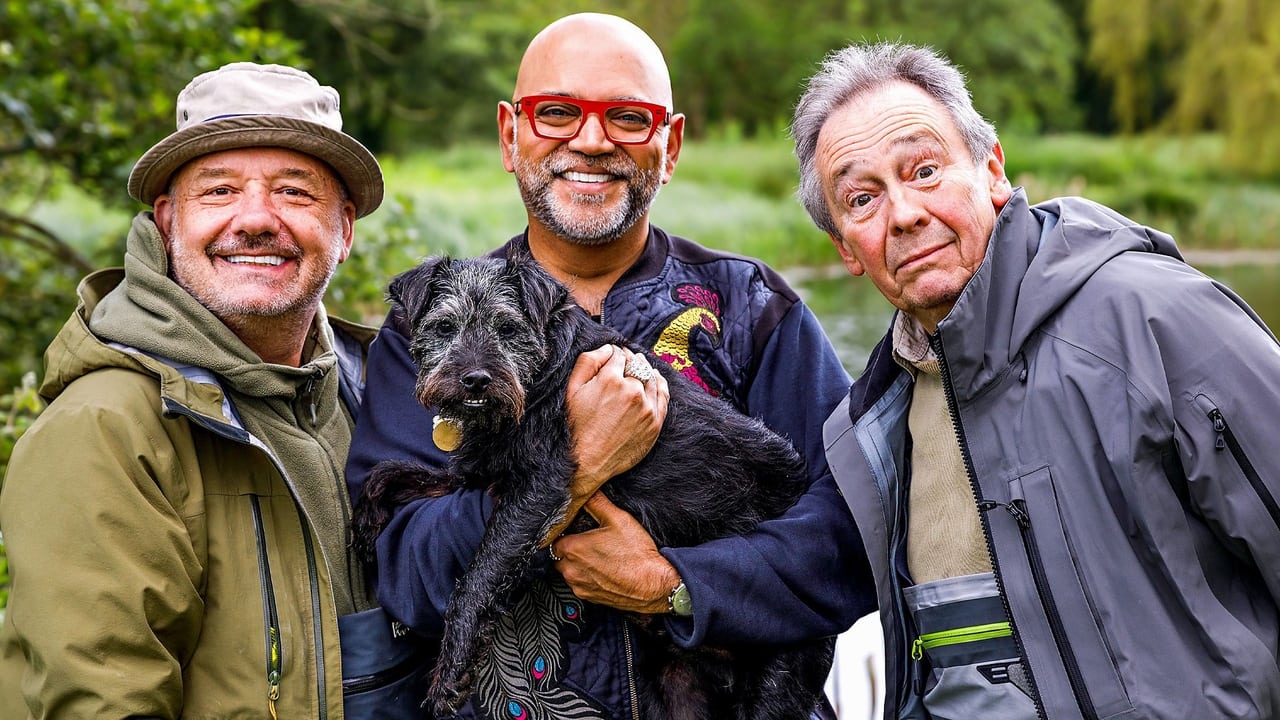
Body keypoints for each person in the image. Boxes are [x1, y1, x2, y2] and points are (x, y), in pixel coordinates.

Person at [345, 12, 875, 719]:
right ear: (510, 135)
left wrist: (678, 584)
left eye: (627, 118)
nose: (591, 141)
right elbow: (401, 573)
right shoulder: (432, 326)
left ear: (670, 143)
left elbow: (852, 541)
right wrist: (581, 463)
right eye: (557, 112)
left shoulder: (752, 308)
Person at [792, 40, 1280, 719]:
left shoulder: (1157, 318)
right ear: (845, 246)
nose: (903, 213)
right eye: (863, 198)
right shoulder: (870, 423)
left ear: (992, 170)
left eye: (925, 170)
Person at [0, 62, 426, 718]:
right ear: (168, 221)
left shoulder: (382, 397)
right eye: (220, 191)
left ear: (346, 229)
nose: (256, 220)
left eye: (294, 192)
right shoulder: (106, 430)